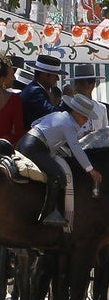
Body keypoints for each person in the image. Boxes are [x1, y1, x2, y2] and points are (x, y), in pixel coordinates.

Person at [15, 93, 103, 226]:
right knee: (58, 176)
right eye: (84, 116)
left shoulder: (59, 116)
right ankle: (48, 214)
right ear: (75, 112)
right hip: (35, 148)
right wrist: (91, 170)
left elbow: (35, 123)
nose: (85, 121)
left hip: (25, 141)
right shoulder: (69, 125)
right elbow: (76, 149)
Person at [20, 53, 65, 127]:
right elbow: (53, 114)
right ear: (45, 75)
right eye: (55, 75)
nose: (58, 79)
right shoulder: (35, 92)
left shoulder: (36, 89)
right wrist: (67, 99)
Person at [68, 63, 108, 137]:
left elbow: (105, 135)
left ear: (92, 85)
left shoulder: (101, 108)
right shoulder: (69, 106)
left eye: (81, 83)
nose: (76, 86)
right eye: (76, 82)